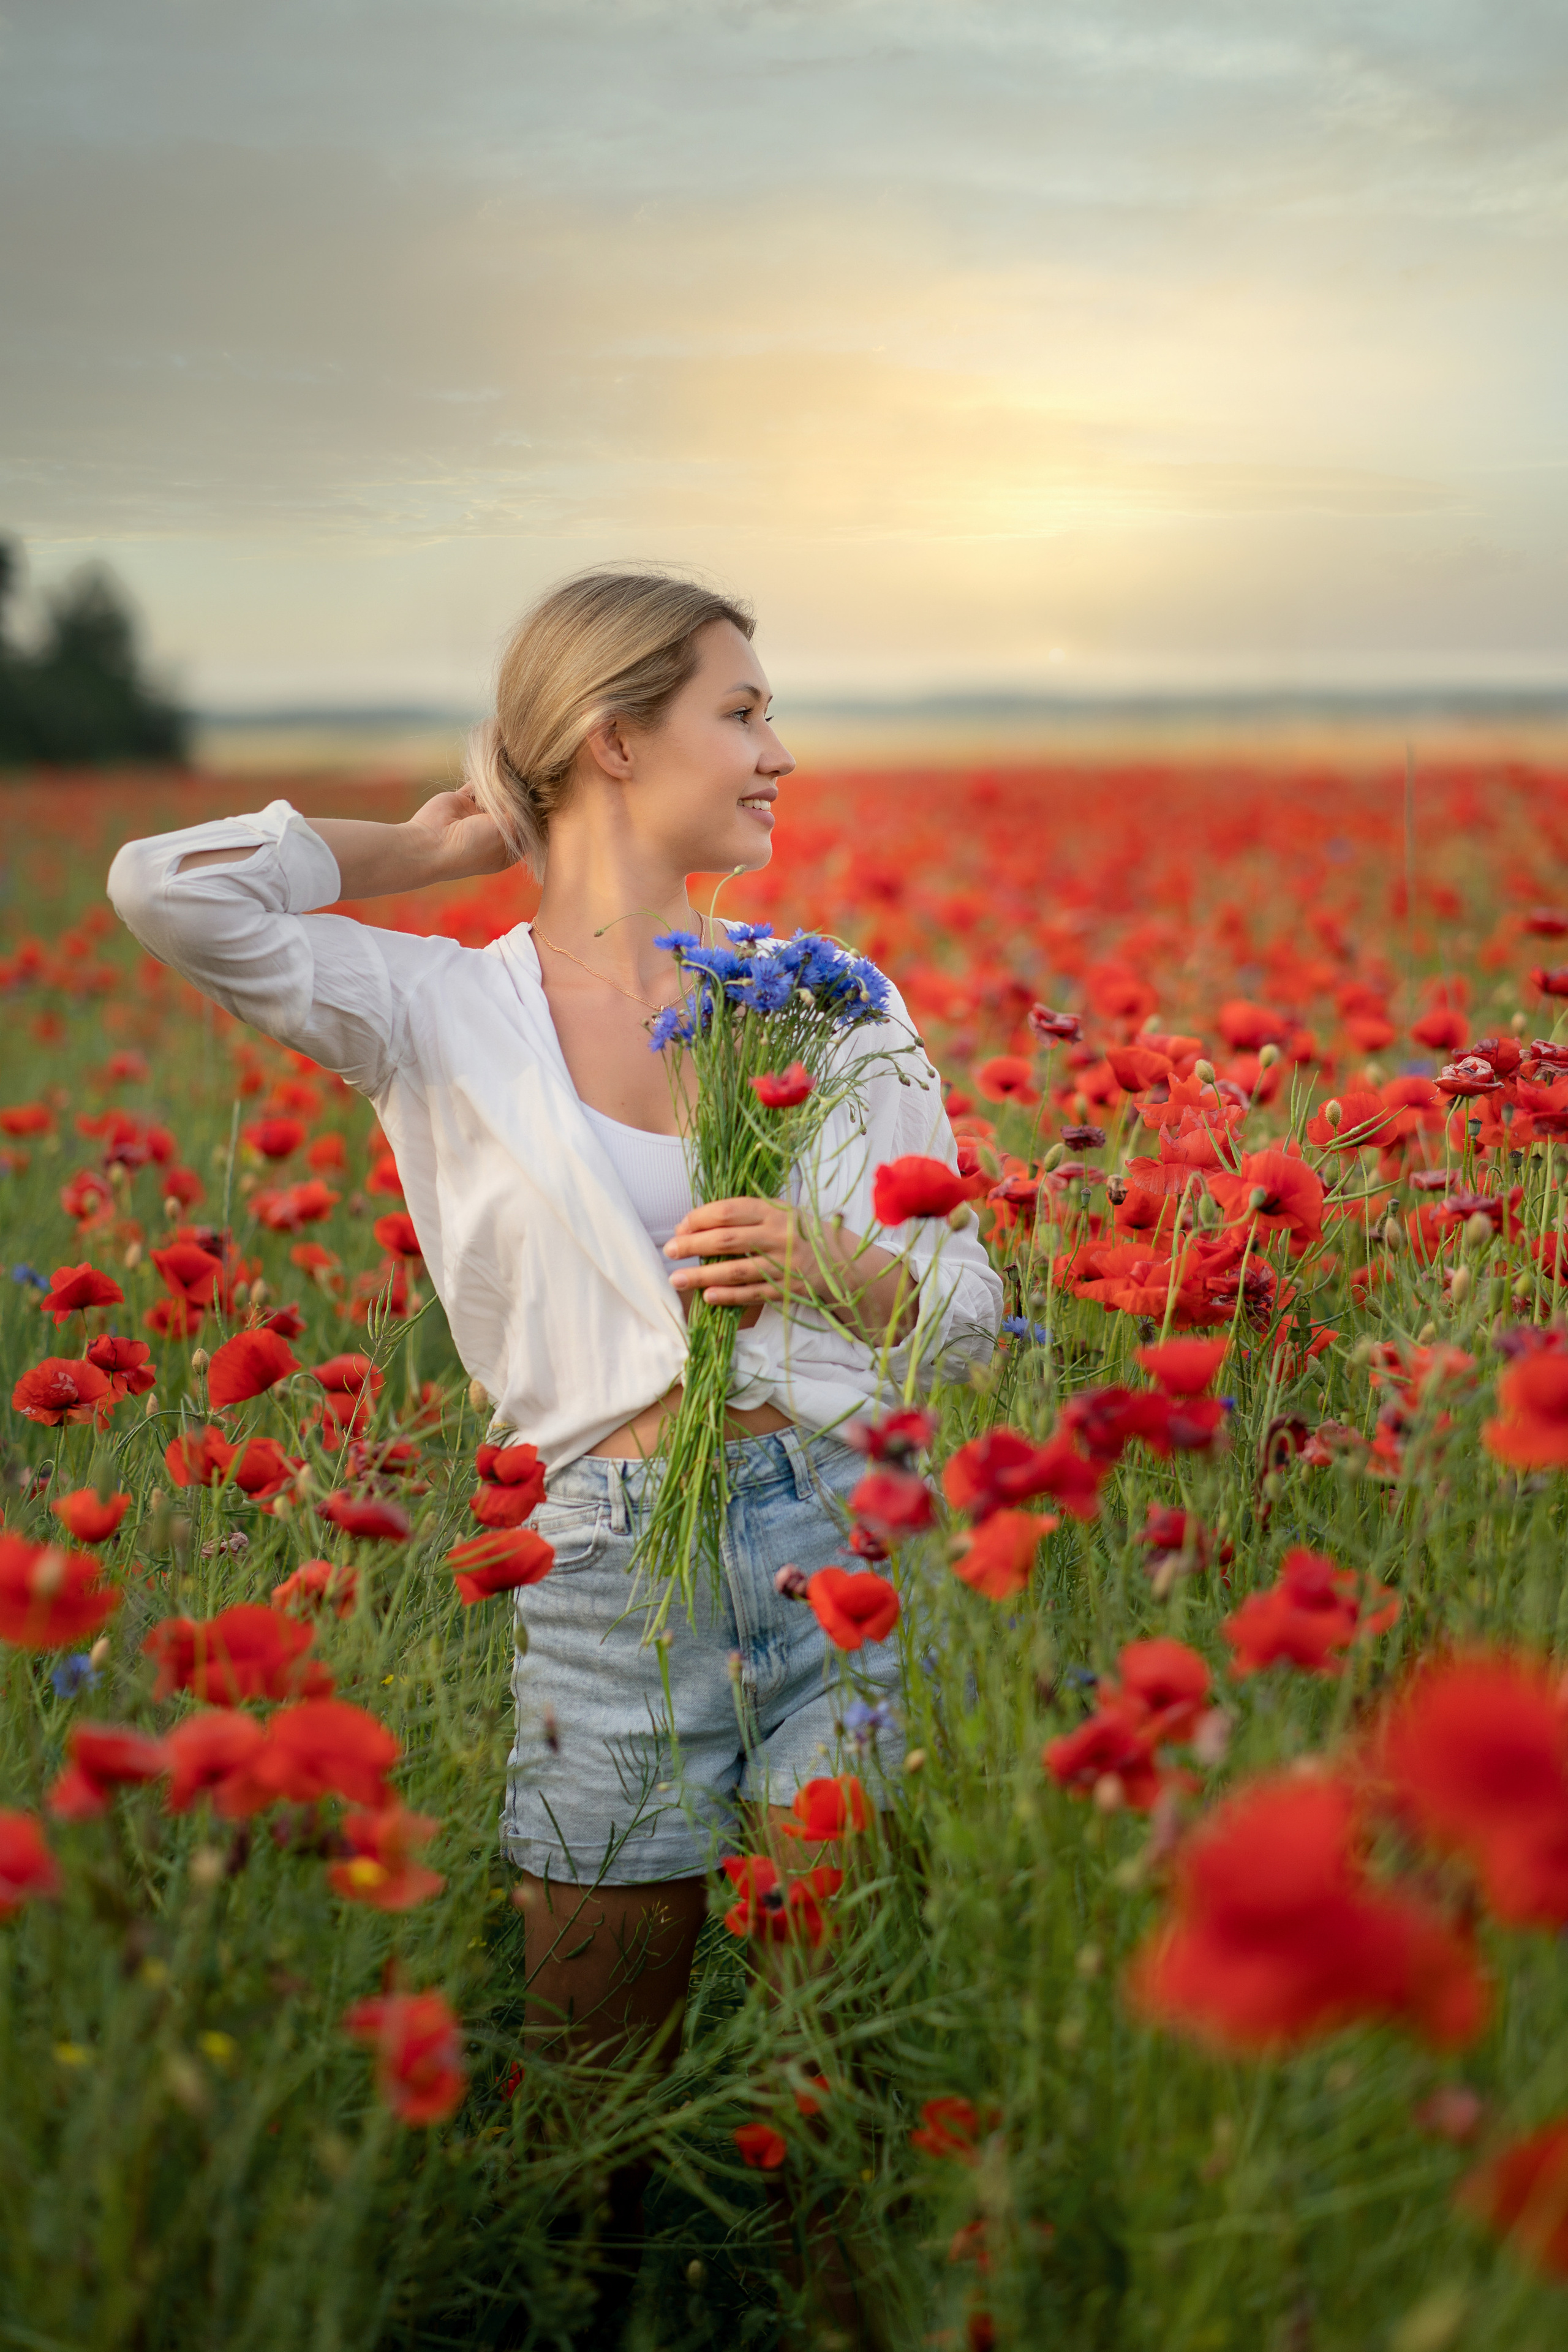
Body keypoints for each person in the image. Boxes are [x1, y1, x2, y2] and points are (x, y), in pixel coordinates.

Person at [107, 567, 1001, 2329]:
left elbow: (972, 1305)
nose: (780, 755)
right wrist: (427, 853)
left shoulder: (828, 1000)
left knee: (840, 2072)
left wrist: (845, 1264)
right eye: (740, 715)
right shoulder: (441, 1013)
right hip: (603, 1573)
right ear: (612, 738)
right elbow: (165, 885)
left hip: (839, 1555)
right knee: (592, 2112)